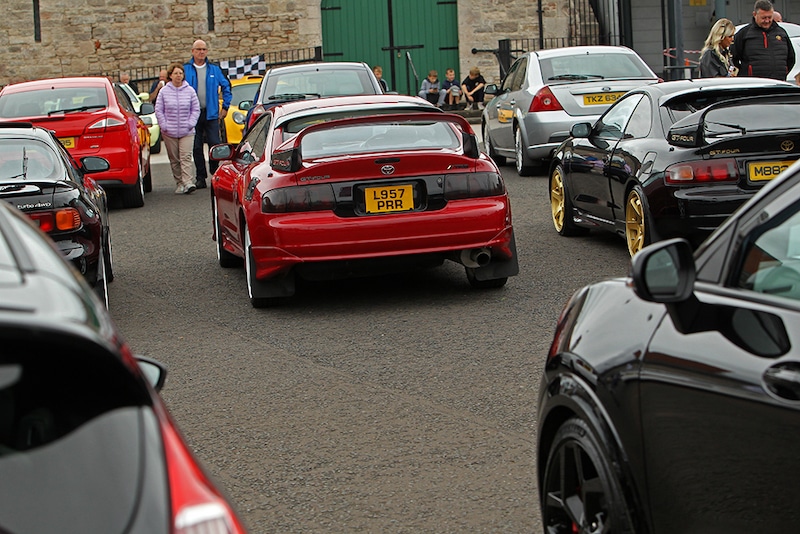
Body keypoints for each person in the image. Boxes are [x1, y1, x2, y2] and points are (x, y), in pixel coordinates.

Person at [184, 39, 232, 189]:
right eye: (198, 49)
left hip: (211, 114)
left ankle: (214, 171)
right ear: (193, 51)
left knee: (214, 144)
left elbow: (226, 87)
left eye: (204, 49)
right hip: (193, 115)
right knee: (196, 146)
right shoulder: (186, 69)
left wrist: (225, 107)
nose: (201, 52)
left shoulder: (214, 69)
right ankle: (200, 176)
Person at [155, 63, 201, 195]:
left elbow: (195, 109)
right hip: (169, 132)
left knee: (186, 156)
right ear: (170, 75)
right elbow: (159, 110)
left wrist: (190, 123)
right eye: (175, 73)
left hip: (187, 131)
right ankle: (179, 182)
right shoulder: (164, 91)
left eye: (180, 73)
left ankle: (188, 182)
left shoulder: (190, 90)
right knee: (174, 159)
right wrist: (164, 125)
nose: (178, 76)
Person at [732, 0, 795, 79]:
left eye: (770, 17)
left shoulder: (781, 33)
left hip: (778, 83)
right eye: (764, 18)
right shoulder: (744, 34)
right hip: (754, 85)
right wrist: (745, 73)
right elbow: (733, 57)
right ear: (754, 14)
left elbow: (791, 58)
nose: (767, 21)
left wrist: (783, 72)